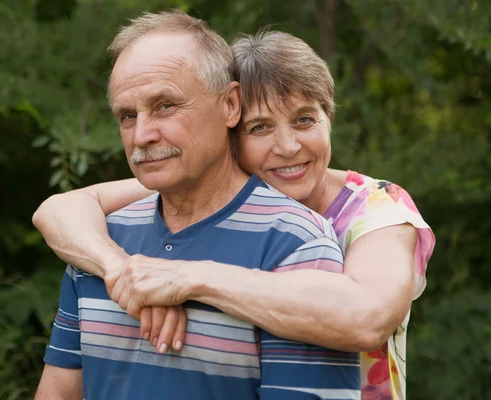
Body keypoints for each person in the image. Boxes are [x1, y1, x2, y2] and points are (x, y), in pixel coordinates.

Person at [33, 20, 436, 399]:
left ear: (330, 119)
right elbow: (62, 209)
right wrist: (124, 272)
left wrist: (186, 277)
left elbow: (366, 318)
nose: (288, 146)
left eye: (305, 119)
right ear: (231, 127)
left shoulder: (376, 209)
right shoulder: (190, 178)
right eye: (259, 128)